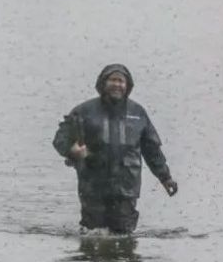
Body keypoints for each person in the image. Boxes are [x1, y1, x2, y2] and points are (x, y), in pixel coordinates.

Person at [53, 64, 178, 234]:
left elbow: (152, 150)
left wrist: (165, 177)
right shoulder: (84, 111)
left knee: (123, 234)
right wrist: (71, 150)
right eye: (112, 80)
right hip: (93, 186)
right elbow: (61, 138)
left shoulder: (138, 113)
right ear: (103, 83)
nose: (117, 84)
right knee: (92, 234)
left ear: (127, 86)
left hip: (126, 187)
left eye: (121, 81)